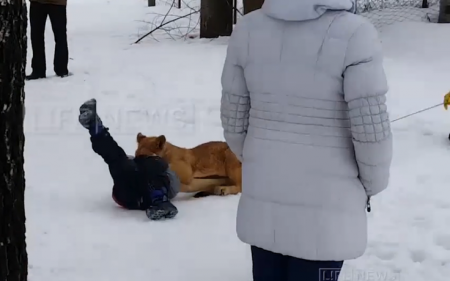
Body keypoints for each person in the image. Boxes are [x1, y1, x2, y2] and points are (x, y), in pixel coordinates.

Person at [220, 0, 393, 280]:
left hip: (265, 193)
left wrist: (258, 159)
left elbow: (233, 120)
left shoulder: (248, 29)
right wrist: (372, 183)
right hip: (328, 206)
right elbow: (371, 130)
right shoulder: (356, 33)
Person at [78, 98, 179, 220]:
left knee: (121, 160)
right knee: (121, 160)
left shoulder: (152, 164)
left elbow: (172, 182)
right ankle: (95, 127)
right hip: (133, 194)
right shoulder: (145, 164)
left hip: (138, 195)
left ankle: (96, 130)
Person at [26, 0, 69, 80]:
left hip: (56, 3)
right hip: (39, 2)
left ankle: (60, 69)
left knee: (59, 36)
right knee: (37, 35)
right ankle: (40, 70)